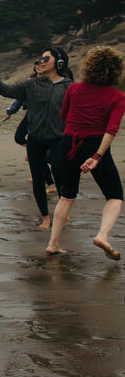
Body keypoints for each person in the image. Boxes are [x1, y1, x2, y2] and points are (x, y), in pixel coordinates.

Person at [45, 46, 125, 259]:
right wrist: (97, 156)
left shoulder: (73, 89)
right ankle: (103, 235)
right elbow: (111, 130)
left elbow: (64, 116)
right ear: (116, 71)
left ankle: (53, 243)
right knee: (115, 195)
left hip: (69, 142)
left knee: (67, 195)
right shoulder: (117, 97)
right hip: (94, 143)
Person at [0, 48, 73, 229]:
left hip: (59, 139)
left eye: (45, 59)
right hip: (35, 139)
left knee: (58, 171)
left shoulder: (69, 86)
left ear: (59, 63)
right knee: (38, 178)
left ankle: (62, 211)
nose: (40, 62)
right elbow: (7, 90)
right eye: (40, 58)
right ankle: (45, 217)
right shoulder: (31, 84)